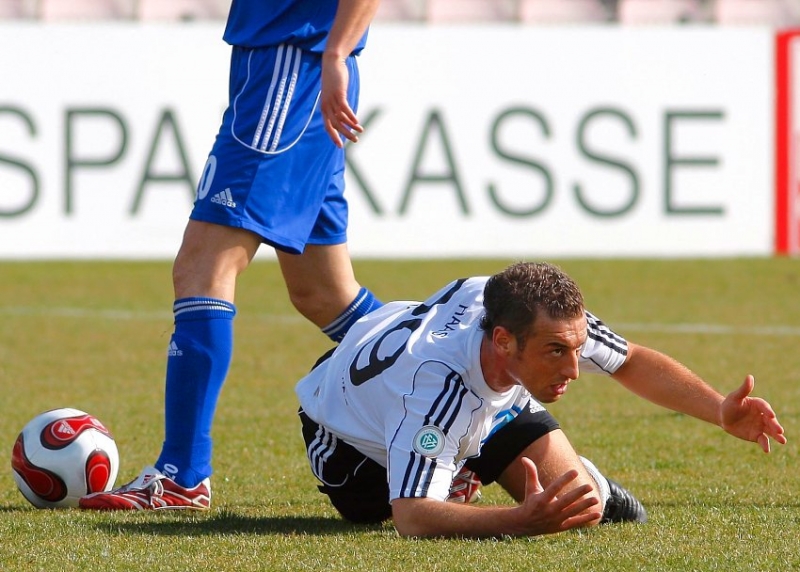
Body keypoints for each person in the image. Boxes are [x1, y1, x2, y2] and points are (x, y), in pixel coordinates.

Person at [79, 0, 383, 511]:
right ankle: (467, 412)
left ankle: (183, 472)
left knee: (203, 266)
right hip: (281, 63)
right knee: (322, 293)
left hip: (294, 63)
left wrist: (335, 50)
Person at [296, 262, 786, 538]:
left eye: (575, 349)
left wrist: (719, 409)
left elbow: (629, 360)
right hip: (349, 441)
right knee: (375, 513)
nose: (573, 369)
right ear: (505, 340)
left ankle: (466, 465)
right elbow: (411, 517)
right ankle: (455, 469)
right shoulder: (438, 389)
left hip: (483, 393)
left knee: (584, 509)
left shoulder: (527, 309)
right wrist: (518, 521)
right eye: (556, 352)